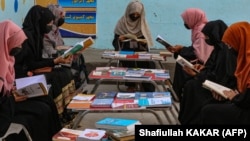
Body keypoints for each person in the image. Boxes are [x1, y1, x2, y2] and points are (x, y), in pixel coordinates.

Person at [0, 20, 61, 141]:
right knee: (40, 111)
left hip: (8, 101)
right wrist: (12, 98)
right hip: (3, 110)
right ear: (6, 41)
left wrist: (14, 91)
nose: (20, 47)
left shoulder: (7, 59)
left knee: (45, 101)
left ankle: (57, 137)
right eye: (17, 43)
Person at [14, 5, 73, 116]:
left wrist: (57, 60)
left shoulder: (37, 35)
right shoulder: (26, 38)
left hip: (32, 69)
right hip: (23, 74)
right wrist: (54, 61)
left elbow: (37, 59)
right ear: (40, 22)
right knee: (56, 78)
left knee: (64, 72)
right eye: (49, 23)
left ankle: (65, 109)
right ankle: (57, 112)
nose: (50, 26)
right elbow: (29, 64)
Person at [178, 20, 237, 124]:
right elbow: (211, 66)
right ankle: (186, 121)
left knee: (194, 89)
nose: (205, 39)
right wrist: (201, 68)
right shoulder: (218, 48)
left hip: (222, 86)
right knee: (190, 85)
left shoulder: (227, 51)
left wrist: (197, 74)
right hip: (212, 81)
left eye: (207, 36)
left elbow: (222, 76)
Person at [200, 21, 250, 124]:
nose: (229, 48)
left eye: (230, 45)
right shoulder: (243, 59)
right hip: (244, 102)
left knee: (209, 111)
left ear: (240, 40)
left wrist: (235, 97)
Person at [165, 8, 214, 100]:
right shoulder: (197, 28)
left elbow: (199, 52)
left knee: (182, 62)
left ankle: (177, 92)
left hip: (203, 60)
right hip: (200, 57)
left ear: (193, 18)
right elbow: (196, 48)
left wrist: (181, 49)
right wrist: (180, 49)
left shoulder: (201, 30)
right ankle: (177, 91)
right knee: (181, 57)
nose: (185, 23)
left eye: (186, 20)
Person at [112, 0, 155, 92]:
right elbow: (115, 41)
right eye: (133, 14)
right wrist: (120, 39)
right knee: (128, 61)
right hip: (126, 49)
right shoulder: (121, 23)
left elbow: (147, 40)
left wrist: (144, 42)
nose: (135, 16)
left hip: (140, 50)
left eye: (137, 14)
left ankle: (147, 86)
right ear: (128, 12)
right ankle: (130, 85)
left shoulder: (143, 23)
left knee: (148, 63)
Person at [43, 4, 89, 89]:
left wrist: (71, 49)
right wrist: (67, 51)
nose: (63, 19)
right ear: (54, 16)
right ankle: (76, 85)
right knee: (71, 66)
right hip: (51, 59)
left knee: (79, 56)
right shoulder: (46, 32)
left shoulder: (56, 30)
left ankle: (80, 86)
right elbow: (50, 51)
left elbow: (60, 45)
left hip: (59, 55)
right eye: (61, 17)